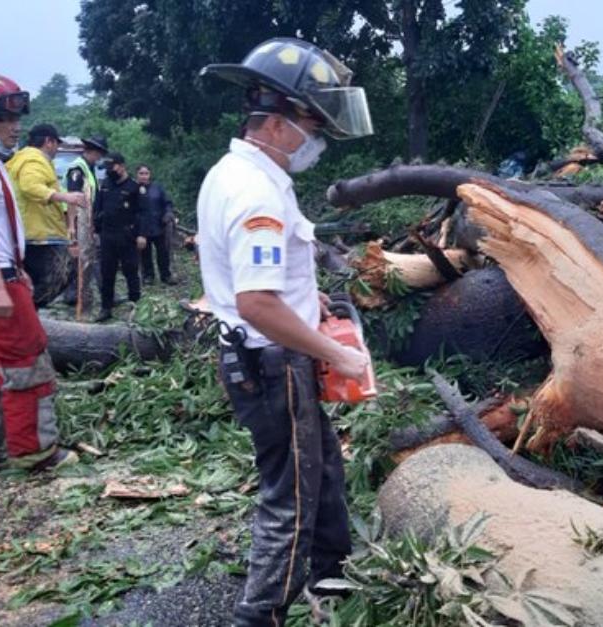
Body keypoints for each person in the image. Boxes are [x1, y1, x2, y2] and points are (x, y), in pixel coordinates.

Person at [198, 37, 373, 625]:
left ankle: (331, 569)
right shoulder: (255, 195)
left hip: (272, 359)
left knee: (320, 463)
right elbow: (255, 302)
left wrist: (309, 296)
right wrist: (336, 355)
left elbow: (264, 278)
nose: (316, 141)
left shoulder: (246, 173)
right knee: (291, 492)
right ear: (275, 123)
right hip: (274, 364)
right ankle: (260, 612)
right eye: (311, 127)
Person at [0, 74, 77, 470]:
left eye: (17, 119)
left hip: (4, 274)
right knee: (26, 355)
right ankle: (35, 451)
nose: (14, 127)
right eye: (4, 119)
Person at [6, 123, 88, 306]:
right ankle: (24, 312)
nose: (58, 149)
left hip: (36, 231)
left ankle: (25, 315)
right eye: (57, 144)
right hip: (38, 233)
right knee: (63, 272)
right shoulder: (34, 160)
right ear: (49, 142)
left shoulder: (25, 158)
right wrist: (64, 196)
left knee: (35, 281)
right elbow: (30, 186)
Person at [94, 152, 144, 322]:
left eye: (112, 166)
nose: (109, 169)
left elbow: (141, 214)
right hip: (107, 235)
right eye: (107, 166)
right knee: (107, 273)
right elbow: (98, 208)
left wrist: (141, 235)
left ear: (122, 166)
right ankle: (105, 308)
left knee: (131, 271)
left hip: (127, 235)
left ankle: (135, 306)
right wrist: (95, 228)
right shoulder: (105, 184)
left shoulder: (133, 187)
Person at [62, 135, 108, 309]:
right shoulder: (77, 169)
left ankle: (94, 291)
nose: (100, 158)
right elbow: (73, 198)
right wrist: (71, 226)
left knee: (91, 256)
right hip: (78, 219)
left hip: (88, 218)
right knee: (81, 258)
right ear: (92, 152)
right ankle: (74, 293)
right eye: (99, 154)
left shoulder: (89, 168)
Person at [135, 164, 177, 285]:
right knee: (145, 253)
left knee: (163, 252)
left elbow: (167, 203)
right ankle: (148, 276)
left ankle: (166, 275)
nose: (144, 176)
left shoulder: (157, 188)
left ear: (150, 175)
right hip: (142, 228)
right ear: (137, 174)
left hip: (159, 225)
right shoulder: (133, 189)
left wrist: (168, 213)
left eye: (146, 173)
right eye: (141, 173)